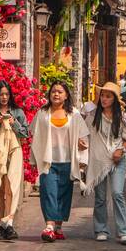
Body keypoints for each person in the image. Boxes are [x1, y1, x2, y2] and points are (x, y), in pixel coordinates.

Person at [32, 81, 88, 242]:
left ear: (66, 95)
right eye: (53, 91)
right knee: (48, 191)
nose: (56, 94)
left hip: (67, 160)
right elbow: (35, 134)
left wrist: (81, 149)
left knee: (64, 194)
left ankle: (58, 226)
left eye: (60, 92)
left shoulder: (74, 114)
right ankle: (49, 226)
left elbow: (83, 136)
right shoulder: (42, 113)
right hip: (48, 159)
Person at [84, 82, 126, 244]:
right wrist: (82, 144)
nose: (104, 99)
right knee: (100, 197)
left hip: (117, 159)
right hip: (99, 160)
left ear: (114, 99)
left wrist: (121, 149)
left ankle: (123, 231)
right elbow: (84, 134)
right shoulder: (93, 116)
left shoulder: (123, 117)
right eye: (102, 96)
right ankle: (101, 229)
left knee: (117, 193)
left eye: (108, 96)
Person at [0, 80, 29, 241]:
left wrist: (14, 123)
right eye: (1, 94)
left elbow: (25, 133)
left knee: (10, 189)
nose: (4, 97)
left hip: (13, 154)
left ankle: (9, 223)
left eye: (7, 94)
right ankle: (0, 225)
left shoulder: (17, 112)